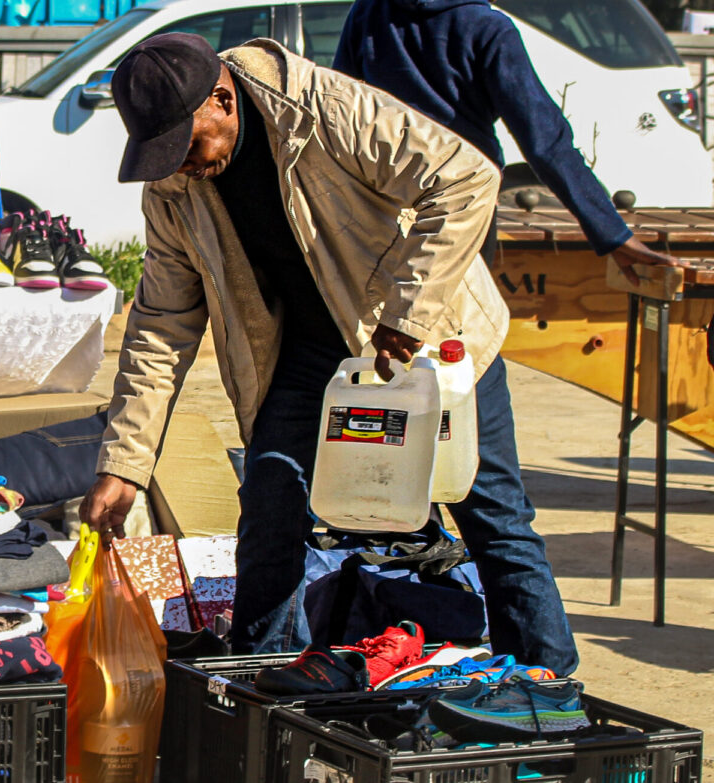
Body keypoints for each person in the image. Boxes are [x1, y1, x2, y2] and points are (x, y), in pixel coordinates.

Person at [79, 32, 578, 675]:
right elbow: (161, 325)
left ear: (222, 100)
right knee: (270, 504)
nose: (183, 165)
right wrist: (125, 465)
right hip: (311, 357)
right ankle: (260, 683)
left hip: (429, 344)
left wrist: (408, 313)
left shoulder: (326, 109)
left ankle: (547, 688)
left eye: (188, 144)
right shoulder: (174, 187)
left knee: (492, 517)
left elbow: (465, 179)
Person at [334, 0, 686, 283]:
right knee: (458, 338)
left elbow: (336, 114)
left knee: (374, 336)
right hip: (461, 206)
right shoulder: (488, 28)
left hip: (380, 203)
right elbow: (545, 142)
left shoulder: (369, 11)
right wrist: (613, 234)